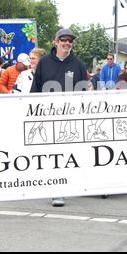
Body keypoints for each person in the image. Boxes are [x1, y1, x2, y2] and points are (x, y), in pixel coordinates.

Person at [30, 28, 87, 207]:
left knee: (68, 154)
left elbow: (83, 91)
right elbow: (35, 89)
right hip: (47, 116)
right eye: (64, 40)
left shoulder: (78, 64)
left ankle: (66, 185)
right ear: (56, 42)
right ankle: (57, 190)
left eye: (70, 40)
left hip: (70, 118)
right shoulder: (44, 62)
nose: (67, 43)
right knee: (51, 154)